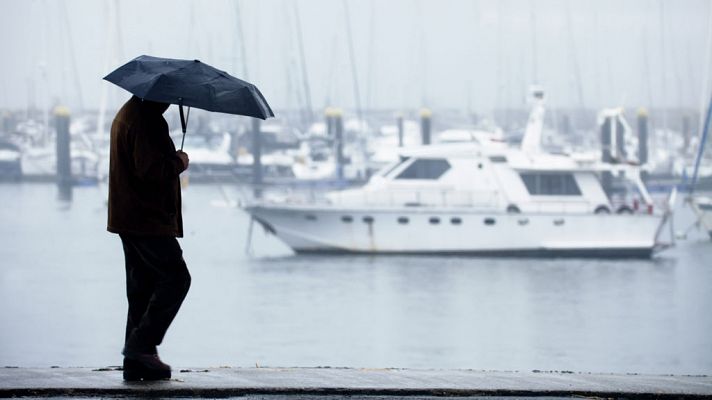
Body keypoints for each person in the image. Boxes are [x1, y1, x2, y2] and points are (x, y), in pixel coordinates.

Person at [107, 95, 191, 381]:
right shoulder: (146, 121)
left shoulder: (129, 113)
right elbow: (151, 170)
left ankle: (137, 362)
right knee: (176, 278)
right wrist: (178, 162)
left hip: (128, 216)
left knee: (141, 288)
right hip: (146, 219)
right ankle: (140, 347)